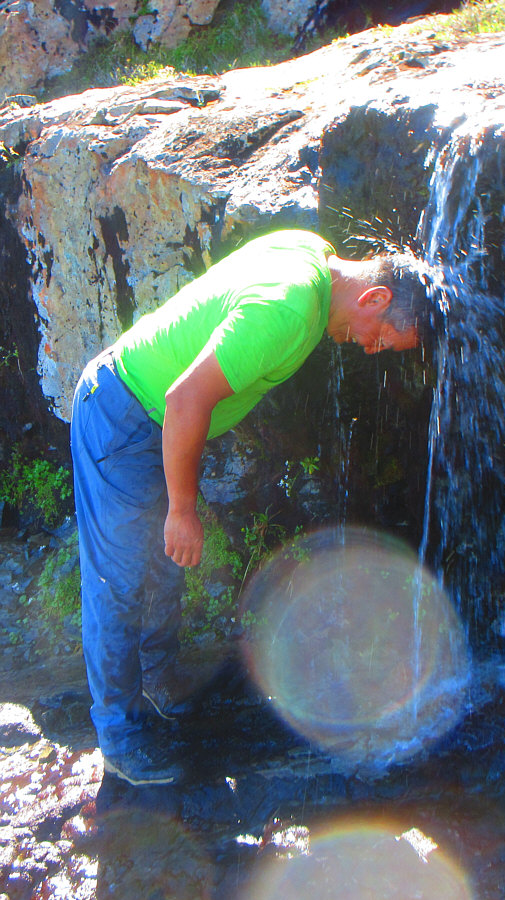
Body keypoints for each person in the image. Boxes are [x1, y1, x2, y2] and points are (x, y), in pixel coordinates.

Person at [70, 228, 430, 785]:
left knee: (164, 565)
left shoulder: (314, 250)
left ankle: (160, 679)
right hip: (124, 417)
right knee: (117, 581)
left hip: (153, 422)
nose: (370, 348)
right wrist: (183, 509)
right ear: (375, 298)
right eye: (382, 338)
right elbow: (185, 397)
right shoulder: (288, 308)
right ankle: (119, 735)